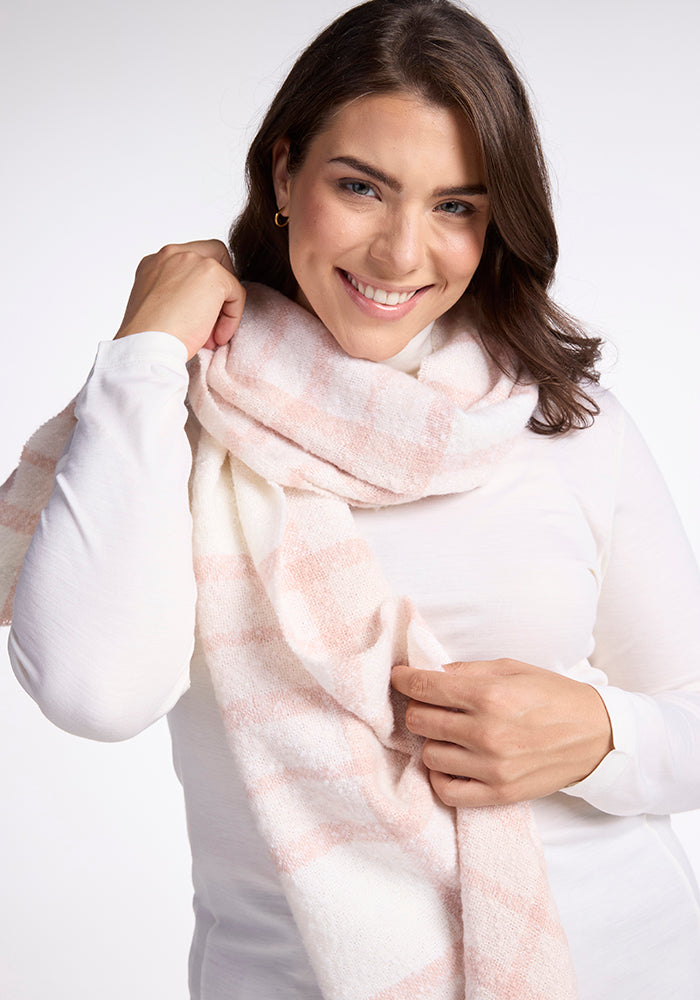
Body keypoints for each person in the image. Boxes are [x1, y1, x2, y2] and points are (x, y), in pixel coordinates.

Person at [2, 1, 700, 997]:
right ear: (283, 173)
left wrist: (599, 732)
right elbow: (93, 688)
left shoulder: (558, 417)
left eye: (456, 205)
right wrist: (145, 349)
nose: (401, 253)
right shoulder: (176, 412)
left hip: (617, 964)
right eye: (362, 187)